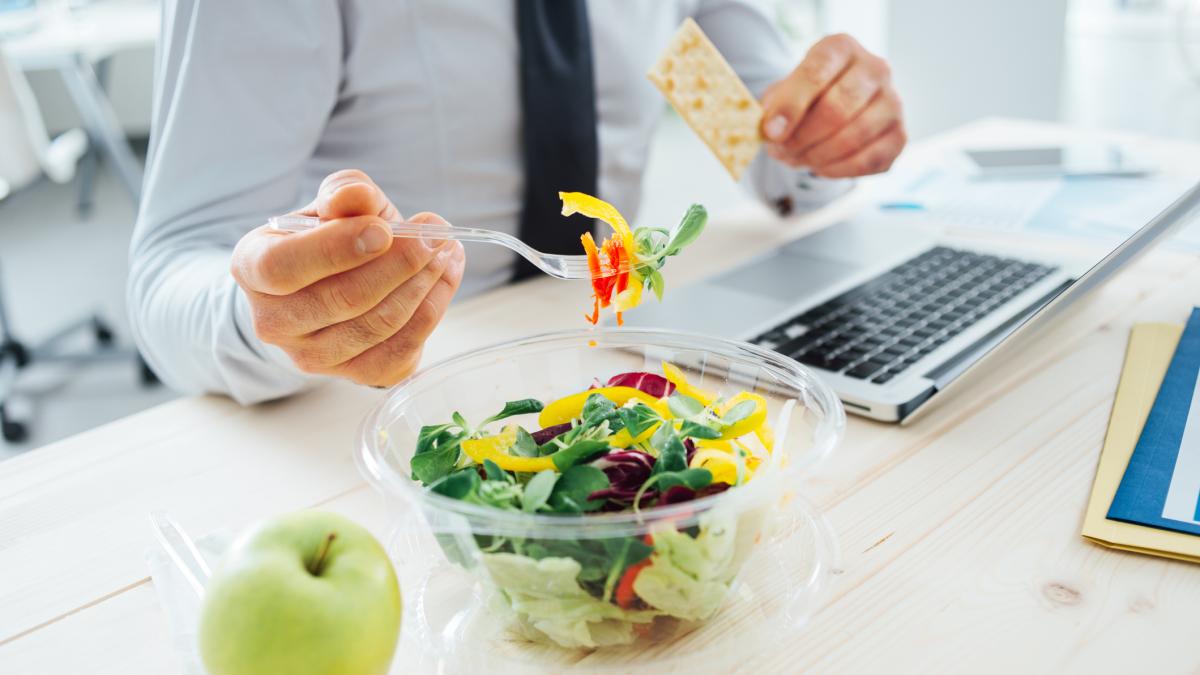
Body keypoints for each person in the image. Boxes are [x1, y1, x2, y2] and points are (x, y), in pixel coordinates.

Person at [129, 1, 906, 405]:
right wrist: (287, 316)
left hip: (616, 364)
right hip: (371, 408)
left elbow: (772, 151)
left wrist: (830, 133)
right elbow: (172, 270)